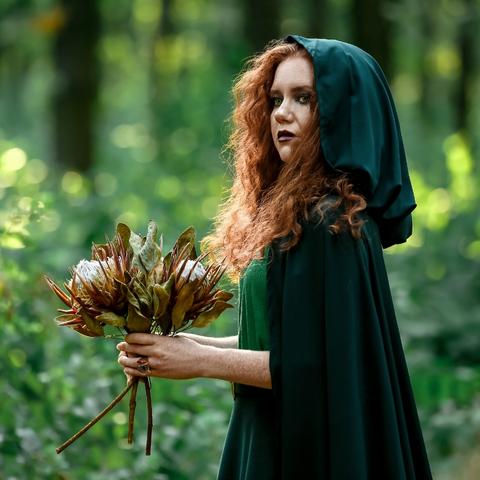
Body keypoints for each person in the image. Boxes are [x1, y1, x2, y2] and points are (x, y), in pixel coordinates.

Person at [117, 35, 433, 479]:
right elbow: (285, 342)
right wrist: (172, 349)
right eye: (275, 99)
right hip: (269, 430)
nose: (281, 113)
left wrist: (200, 362)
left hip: (303, 447)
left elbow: (315, 366)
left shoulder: (332, 223)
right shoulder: (304, 217)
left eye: (304, 99)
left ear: (341, 115)